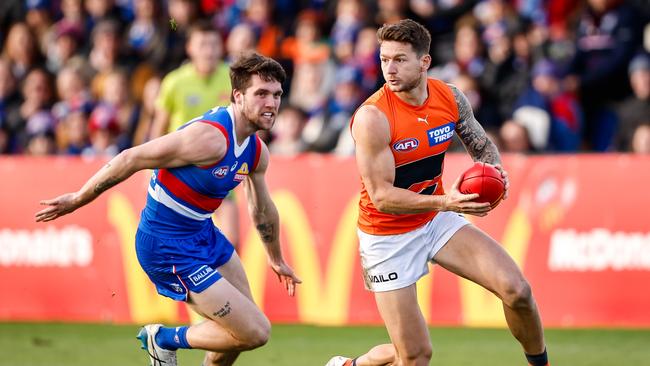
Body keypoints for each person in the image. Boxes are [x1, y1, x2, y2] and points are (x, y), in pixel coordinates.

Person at [35, 53, 301, 366]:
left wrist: (276, 258)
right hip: (165, 244)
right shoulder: (209, 139)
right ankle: (161, 338)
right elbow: (131, 158)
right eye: (261, 94)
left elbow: (262, 209)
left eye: (277, 95)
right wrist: (78, 198)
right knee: (255, 331)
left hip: (203, 233)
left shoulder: (256, 151)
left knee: (237, 335)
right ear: (238, 96)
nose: (271, 103)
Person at [326, 19, 549, 366]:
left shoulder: (449, 96)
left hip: (433, 220)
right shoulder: (373, 117)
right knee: (415, 357)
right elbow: (383, 196)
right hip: (386, 236)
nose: (390, 69)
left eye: (400, 59)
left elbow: (482, 145)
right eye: (385, 60)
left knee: (517, 290)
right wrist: (447, 201)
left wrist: (495, 175)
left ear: (424, 62)